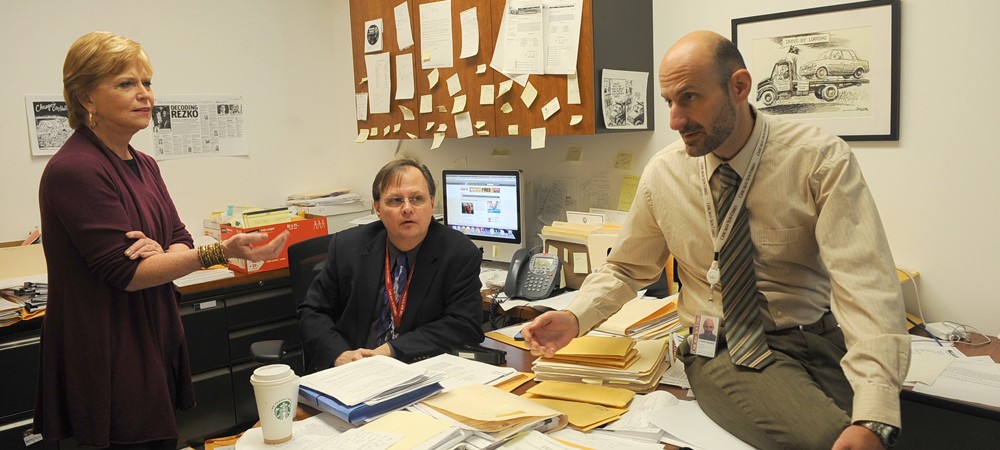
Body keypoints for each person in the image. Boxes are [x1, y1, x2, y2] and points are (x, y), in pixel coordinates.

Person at [522, 31, 908, 449]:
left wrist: (876, 413)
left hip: (815, 335)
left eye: (689, 98)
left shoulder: (819, 160)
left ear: (739, 87)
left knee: (877, 430)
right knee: (825, 439)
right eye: (669, 101)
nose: (675, 120)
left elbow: (866, 286)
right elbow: (626, 268)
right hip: (723, 345)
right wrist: (576, 316)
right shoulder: (663, 175)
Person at [35, 31, 289, 449]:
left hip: (150, 335)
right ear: (86, 98)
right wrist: (214, 253)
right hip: (108, 348)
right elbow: (129, 273)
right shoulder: (75, 169)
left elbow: (177, 237)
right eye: (126, 84)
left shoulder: (145, 164)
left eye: (147, 83)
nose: (144, 95)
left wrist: (162, 253)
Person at [298, 158, 485, 371]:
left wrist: (391, 350)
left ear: (432, 204)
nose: (407, 208)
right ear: (378, 208)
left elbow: (465, 325)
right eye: (395, 201)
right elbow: (312, 312)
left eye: (417, 199)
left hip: (417, 369)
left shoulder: (458, 253)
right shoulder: (347, 247)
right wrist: (340, 354)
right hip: (352, 371)